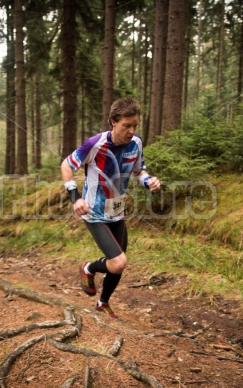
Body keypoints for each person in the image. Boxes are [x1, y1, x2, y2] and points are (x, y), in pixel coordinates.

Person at [61, 97, 161, 318]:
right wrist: (75, 197)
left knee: (119, 264)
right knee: (118, 262)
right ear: (113, 122)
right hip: (93, 213)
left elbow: (138, 171)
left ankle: (102, 303)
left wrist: (149, 180)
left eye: (135, 125)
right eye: (126, 125)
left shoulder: (136, 143)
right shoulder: (95, 144)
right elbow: (66, 165)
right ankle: (89, 268)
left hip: (117, 211)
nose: (131, 131)